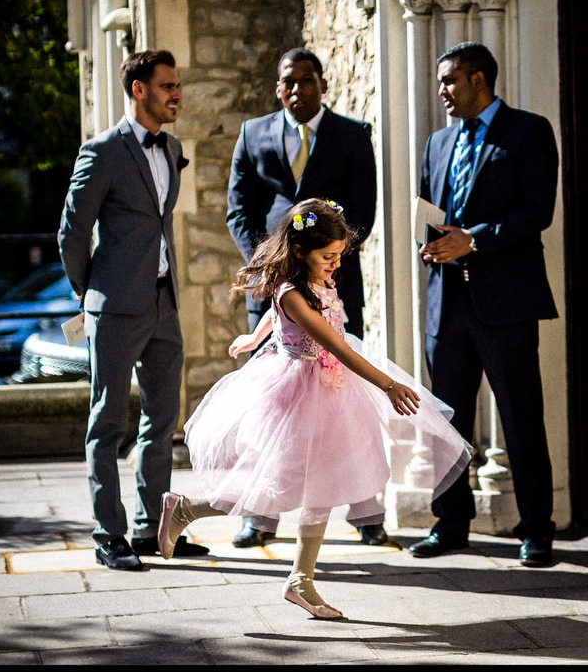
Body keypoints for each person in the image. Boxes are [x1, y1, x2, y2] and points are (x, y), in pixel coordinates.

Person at [158, 198, 471, 618]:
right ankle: (186, 509)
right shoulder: (290, 291)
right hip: (298, 392)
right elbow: (334, 344)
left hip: (329, 391)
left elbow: (285, 316)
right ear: (302, 250)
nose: (335, 264)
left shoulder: (311, 279)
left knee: (322, 482)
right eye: (328, 256)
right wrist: (387, 383)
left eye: (339, 256)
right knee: (274, 488)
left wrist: (255, 336)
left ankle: (301, 580)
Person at [225, 47, 385, 548]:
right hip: (275, 293)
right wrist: (275, 269)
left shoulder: (353, 136)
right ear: (278, 87)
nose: (296, 90)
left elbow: (362, 213)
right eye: (287, 82)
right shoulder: (253, 133)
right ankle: (260, 516)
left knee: (344, 404)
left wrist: (320, 267)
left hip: (331, 289)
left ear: (322, 84)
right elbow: (239, 209)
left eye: (305, 81)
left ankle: (366, 513)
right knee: (270, 413)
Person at [58, 50, 209, 571]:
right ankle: (109, 533)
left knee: (163, 419)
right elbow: (72, 232)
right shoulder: (101, 151)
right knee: (107, 421)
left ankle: (154, 527)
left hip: (164, 304)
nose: (177, 95)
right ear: (139, 90)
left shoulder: (171, 146)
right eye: (168, 86)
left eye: (178, 85)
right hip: (114, 308)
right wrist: (90, 293)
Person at [412, 41, 560, 568]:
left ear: (479, 79)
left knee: (521, 418)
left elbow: (536, 212)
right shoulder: (436, 141)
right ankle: (450, 524)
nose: (442, 92)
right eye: (439, 83)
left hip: (507, 304)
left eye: (449, 81)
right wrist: (429, 243)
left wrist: (472, 239)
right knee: (446, 423)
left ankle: (537, 530)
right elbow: (427, 209)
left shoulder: (529, 131)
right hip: (446, 306)